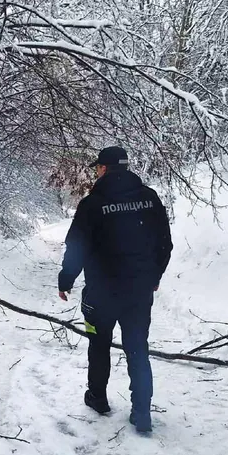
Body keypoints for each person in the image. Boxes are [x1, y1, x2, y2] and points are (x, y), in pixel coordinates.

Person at [58, 146, 172, 433]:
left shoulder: (92, 204)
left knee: (98, 344)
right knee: (137, 348)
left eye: (98, 167)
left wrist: (66, 279)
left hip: (101, 294)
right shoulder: (149, 199)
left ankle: (97, 398)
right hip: (138, 292)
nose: (97, 171)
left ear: (105, 169)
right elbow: (164, 243)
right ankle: (142, 411)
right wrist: (154, 275)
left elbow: (77, 247)